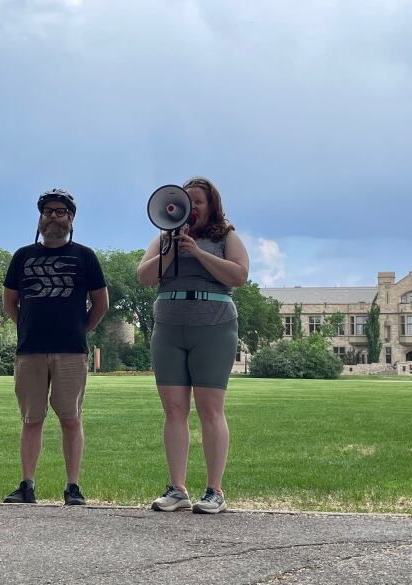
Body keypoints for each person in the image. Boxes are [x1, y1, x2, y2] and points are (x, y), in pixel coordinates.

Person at [137, 177, 249, 514]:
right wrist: (173, 247)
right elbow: (144, 276)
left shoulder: (225, 237)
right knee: (173, 409)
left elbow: (239, 275)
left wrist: (197, 253)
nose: (192, 207)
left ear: (211, 205)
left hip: (214, 326)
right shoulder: (164, 238)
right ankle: (177, 489)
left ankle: (214, 490)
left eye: (198, 201)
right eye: (187, 201)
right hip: (170, 326)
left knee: (210, 408)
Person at [2, 188, 109, 506]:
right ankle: (26, 485)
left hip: (71, 352)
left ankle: (72, 487)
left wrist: (79, 329)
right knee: (31, 420)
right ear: (40, 217)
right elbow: (10, 301)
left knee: (71, 419)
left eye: (60, 211)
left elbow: (101, 304)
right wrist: (26, 327)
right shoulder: (23, 256)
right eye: (47, 211)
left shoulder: (85, 257)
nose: (53, 216)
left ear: (71, 218)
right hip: (30, 351)